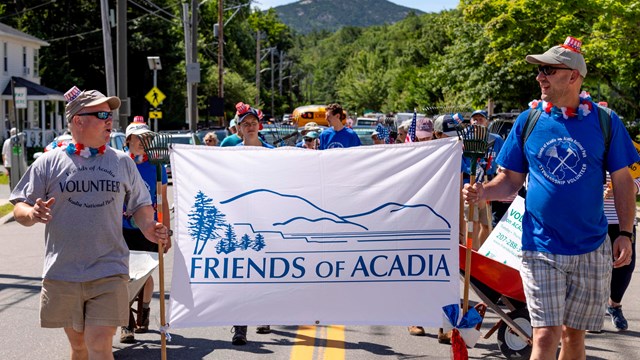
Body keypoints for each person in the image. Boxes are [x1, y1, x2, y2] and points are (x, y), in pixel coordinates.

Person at [463, 37, 639, 359]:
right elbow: (510, 181)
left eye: (548, 69)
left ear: (573, 76)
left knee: (574, 338)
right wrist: (483, 192)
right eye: (539, 70)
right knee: (544, 336)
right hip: (540, 246)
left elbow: (623, 181)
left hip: (591, 245)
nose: (539, 76)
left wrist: (625, 233)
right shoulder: (528, 121)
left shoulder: (605, 121)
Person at [9, 86, 169, 360]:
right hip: (63, 271)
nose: (110, 121)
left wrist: (149, 227)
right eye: (102, 114)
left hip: (110, 269)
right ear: (78, 120)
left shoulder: (122, 162)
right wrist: (32, 214)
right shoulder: (49, 163)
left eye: (110, 115)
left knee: (99, 343)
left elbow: (141, 206)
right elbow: (20, 205)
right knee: (80, 346)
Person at [119, 116, 172, 343]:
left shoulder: (156, 166)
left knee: (145, 274)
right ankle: (125, 323)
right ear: (128, 140)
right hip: (123, 228)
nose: (140, 142)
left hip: (150, 228)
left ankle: (144, 311)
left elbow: (163, 201)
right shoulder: (119, 164)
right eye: (136, 138)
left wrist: (167, 232)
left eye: (145, 138)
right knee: (123, 276)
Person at [232, 103, 273, 345]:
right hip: (240, 223)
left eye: (253, 123)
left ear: (259, 126)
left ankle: (264, 315)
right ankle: (239, 327)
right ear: (238, 128)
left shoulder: (271, 152)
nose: (250, 127)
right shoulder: (231, 154)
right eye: (245, 124)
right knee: (240, 276)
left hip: (266, 221)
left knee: (264, 272)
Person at [603, 172, 640, 331]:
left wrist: (628, 187)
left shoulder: (632, 148)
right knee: (594, 267)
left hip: (623, 219)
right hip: (593, 218)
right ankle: (596, 310)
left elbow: (638, 179)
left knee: (625, 265)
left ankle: (614, 305)